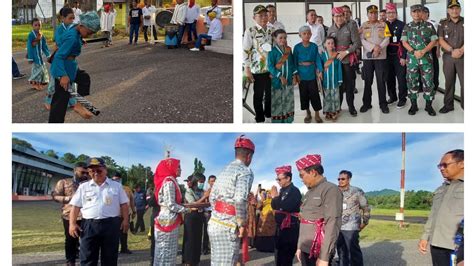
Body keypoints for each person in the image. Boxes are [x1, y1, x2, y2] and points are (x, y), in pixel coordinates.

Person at [69, 157, 130, 265]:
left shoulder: (116, 186)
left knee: (110, 258)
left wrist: (125, 220)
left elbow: (124, 204)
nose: (96, 173)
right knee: (87, 257)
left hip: (111, 225)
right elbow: (75, 206)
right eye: (92, 171)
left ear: (105, 170)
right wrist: (72, 224)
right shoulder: (83, 187)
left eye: (99, 170)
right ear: (89, 172)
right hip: (89, 225)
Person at [208, 135, 255, 265]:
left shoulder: (224, 170)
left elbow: (212, 197)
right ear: (249, 156)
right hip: (228, 226)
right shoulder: (245, 171)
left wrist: (218, 213)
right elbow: (240, 199)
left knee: (216, 262)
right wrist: (241, 223)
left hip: (214, 223)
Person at [49, 12, 100, 123]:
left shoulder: (75, 28)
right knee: (60, 102)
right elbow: (59, 56)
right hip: (64, 68)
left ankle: (78, 105)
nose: (89, 35)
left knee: (84, 78)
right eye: (89, 32)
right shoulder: (72, 37)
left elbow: (73, 35)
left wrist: (80, 40)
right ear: (82, 25)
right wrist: (62, 75)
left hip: (71, 66)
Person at [295, 154, 343, 266]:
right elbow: (304, 222)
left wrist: (324, 257)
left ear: (313, 172)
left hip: (318, 250)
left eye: (302, 175)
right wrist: (299, 247)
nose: (301, 179)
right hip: (306, 248)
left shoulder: (330, 190)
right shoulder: (309, 192)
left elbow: (333, 223)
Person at [419, 149, 464, 266]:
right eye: (440, 166)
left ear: (462, 164)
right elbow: (433, 215)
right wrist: (425, 237)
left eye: (445, 165)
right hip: (437, 244)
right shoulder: (441, 189)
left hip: (458, 247)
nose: (442, 168)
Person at [401, 4, 438, 116]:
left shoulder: (429, 26)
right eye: (414, 12)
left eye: (418, 12)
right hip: (412, 60)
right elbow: (404, 42)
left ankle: (429, 106)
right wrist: (413, 52)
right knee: (412, 81)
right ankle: (414, 105)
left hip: (426, 59)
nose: (416, 14)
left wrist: (423, 51)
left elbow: (434, 41)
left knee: (428, 82)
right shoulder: (407, 26)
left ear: (422, 13)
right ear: (411, 13)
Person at [153, 157, 190, 265]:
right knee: (166, 250)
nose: (180, 169)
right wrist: (186, 210)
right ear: (170, 167)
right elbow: (171, 204)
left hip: (169, 218)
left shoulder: (170, 180)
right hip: (168, 219)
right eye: (178, 167)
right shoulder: (169, 182)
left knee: (165, 250)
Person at [52, 162, 89, 266]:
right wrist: (68, 199)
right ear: (75, 171)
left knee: (87, 239)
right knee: (70, 239)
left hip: (86, 216)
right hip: (69, 216)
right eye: (82, 172)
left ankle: (86, 260)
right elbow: (55, 196)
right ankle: (70, 261)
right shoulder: (64, 182)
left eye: (87, 173)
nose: (85, 175)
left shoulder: (89, 184)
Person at [328, 7, 361, 117]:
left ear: (344, 16)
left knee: (350, 85)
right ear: (333, 17)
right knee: (339, 86)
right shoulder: (330, 29)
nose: (338, 18)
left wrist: (346, 52)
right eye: (336, 16)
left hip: (348, 60)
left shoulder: (350, 26)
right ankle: (338, 106)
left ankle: (351, 107)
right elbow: (327, 44)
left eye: (341, 16)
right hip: (336, 61)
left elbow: (357, 43)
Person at [243, 5, 273, 123]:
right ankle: (259, 117)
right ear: (254, 17)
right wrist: (247, 68)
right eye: (260, 16)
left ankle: (268, 113)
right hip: (257, 69)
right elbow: (246, 50)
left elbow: (275, 50)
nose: (264, 18)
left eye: (265, 15)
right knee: (258, 95)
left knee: (270, 93)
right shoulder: (250, 31)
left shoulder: (272, 30)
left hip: (270, 69)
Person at [359, 5, 391, 114]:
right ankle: (366, 104)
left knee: (381, 81)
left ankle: (383, 104)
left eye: (375, 13)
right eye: (371, 13)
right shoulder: (363, 25)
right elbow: (362, 40)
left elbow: (387, 38)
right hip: (368, 57)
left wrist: (379, 48)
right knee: (368, 81)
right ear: (367, 14)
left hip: (381, 57)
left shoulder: (383, 24)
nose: (373, 15)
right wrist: (373, 48)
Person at [336, 170, 371, 266]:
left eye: (343, 179)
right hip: (337, 226)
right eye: (339, 179)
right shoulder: (335, 191)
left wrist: (365, 222)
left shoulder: (357, 191)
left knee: (353, 251)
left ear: (349, 179)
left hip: (351, 226)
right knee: (341, 251)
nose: (340, 181)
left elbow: (366, 207)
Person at [270, 165, 301, 266]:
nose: (278, 181)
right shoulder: (282, 191)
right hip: (280, 230)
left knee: (285, 259)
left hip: (290, 230)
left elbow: (286, 206)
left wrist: (274, 197)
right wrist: (275, 199)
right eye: (277, 179)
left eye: (279, 179)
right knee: (278, 258)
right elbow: (274, 206)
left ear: (288, 178)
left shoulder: (294, 191)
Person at [293, 25, 324, 123]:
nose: (306, 35)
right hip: (301, 75)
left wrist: (319, 70)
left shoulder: (314, 46)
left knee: (315, 94)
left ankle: (317, 114)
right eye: (304, 34)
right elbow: (294, 62)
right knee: (304, 95)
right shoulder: (297, 47)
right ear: (300, 35)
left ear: (311, 34)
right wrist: (296, 74)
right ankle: (308, 113)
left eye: (308, 33)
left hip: (312, 74)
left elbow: (317, 59)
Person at [438, 0, 464, 113]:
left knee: (465, 82)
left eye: (456, 8)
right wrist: (452, 50)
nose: (454, 10)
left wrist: (461, 50)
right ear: (448, 10)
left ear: (460, 9)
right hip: (448, 57)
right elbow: (440, 39)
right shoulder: (443, 23)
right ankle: (448, 105)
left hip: (464, 57)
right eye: (452, 8)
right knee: (449, 82)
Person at [267, 29, 296, 123]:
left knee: (288, 100)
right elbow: (270, 66)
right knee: (277, 101)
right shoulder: (272, 51)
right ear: (275, 38)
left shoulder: (288, 49)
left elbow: (292, 64)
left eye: (284, 38)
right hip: (276, 81)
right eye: (280, 38)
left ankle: (288, 119)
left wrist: (294, 76)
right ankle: (278, 122)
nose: (283, 40)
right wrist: (280, 76)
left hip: (289, 80)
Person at [182, 173, 210, 266]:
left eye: (203, 182)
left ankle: (196, 260)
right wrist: (204, 197)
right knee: (190, 239)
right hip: (190, 217)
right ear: (195, 181)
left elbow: (204, 204)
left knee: (198, 239)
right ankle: (188, 261)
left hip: (200, 217)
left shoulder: (202, 191)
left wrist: (205, 199)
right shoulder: (189, 191)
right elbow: (192, 204)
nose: (202, 183)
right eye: (200, 182)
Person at [385, 2, 408, 108]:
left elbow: (405, 42)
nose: (391, 15)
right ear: (386, 14)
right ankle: (392, 96)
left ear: (396, 13)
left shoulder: (402, 25)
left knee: (401, 78)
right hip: (387, 55)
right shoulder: (383, 25)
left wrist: (404, 56)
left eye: (393, 12)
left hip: (398, 55)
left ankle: (402, 98)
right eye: (389, 13)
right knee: (389, 78)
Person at [111, 173, 136, 254]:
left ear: (121, 179)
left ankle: (124, 248)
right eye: (114, 179)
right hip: (113, 214)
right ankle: (113, 249)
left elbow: (132, 201)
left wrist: (133, 210)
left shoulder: (127, 189)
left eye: (117, 179)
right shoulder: (109, 188)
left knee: (124, 231)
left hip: (125, 214)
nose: (116, 181)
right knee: (113, 232)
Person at [320, 36, 343, 122]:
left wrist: (340, 79)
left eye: (332, 43)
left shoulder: (337, 55)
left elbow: (339, 68)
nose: (330, 45)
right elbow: (320, 67)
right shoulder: (322, 56)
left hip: (335, 80)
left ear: (334, 45)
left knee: (335, 97)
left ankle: (335, 112)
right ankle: (327, 112)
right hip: (326, 81)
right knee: (327, 97)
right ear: (324, 45)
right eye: (328, 43)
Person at [27, 18, 50, 91]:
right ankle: (35, 84)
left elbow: (44, 46)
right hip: (34, 57)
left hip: (40, 56)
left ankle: (37, 84)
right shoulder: (31, 35)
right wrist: (30, 58)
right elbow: (29, 47)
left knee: (41, 71)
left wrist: (48, 54)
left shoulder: (41, 35)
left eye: (39, 25)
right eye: (35, 25)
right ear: (32, 26)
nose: (37, 27)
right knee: (37, 71)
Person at [422, 7, 440, 94]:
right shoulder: (418, 24)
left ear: (428, 13)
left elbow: (438, 38)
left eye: (425, 12)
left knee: (434, 68)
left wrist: (438, 49)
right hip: (422, 49)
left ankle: (435, 86)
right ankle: (423, 86)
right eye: (422, 12)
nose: (423, 14)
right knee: (423, 67)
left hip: (433, 48)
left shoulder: (433, 23)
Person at [202, 175, 216, 255]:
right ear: (208, 182)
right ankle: (205, 248)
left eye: (214, 181)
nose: (213, 183)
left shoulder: (218, 191)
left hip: (215, 213)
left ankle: (212, 248)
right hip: (207, 213)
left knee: (214, 232)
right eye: (211, 181)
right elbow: (204, 201)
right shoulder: (206, 191)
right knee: (206, 231)